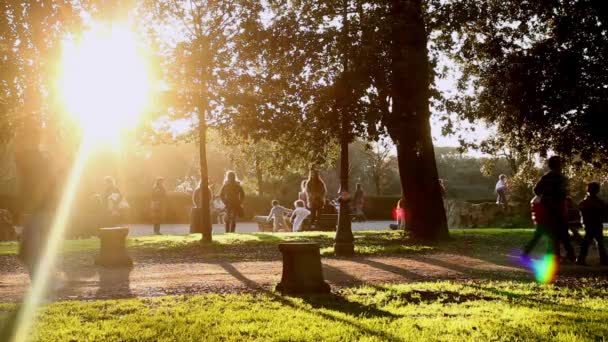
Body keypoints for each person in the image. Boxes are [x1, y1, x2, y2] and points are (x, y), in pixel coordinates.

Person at [530, 156, 575, 263]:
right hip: (559, 207)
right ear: (559, 165)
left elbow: (536, 190)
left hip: (548, 208)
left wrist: (545, 196)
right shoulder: (562, 178)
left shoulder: (546, 177)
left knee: (552, 233)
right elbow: (565, 192)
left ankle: (555, 256)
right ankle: (571, 256)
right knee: (564, 233)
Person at [576, 182, 607, 265]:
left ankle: (581, 259)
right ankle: (603, 260)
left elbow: (581, 210)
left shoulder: (585, 202)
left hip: (589, 223)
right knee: (598, 242)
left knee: (589, 241)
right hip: (594, 223)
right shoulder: (599, 202)